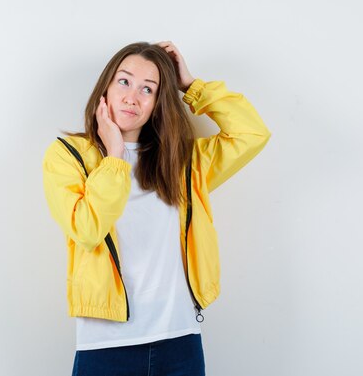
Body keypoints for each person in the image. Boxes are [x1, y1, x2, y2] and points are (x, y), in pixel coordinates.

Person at [42, 41, 271, 376]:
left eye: (147, 89)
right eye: (124, 81)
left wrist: (192, 86)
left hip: (179, 341)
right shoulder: (69, 155)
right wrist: (115, 155)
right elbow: (87, 230)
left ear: (157, 103)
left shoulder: (183, 161)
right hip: (106, 347)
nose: (132, 97)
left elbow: (251, 134)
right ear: (106, 86)